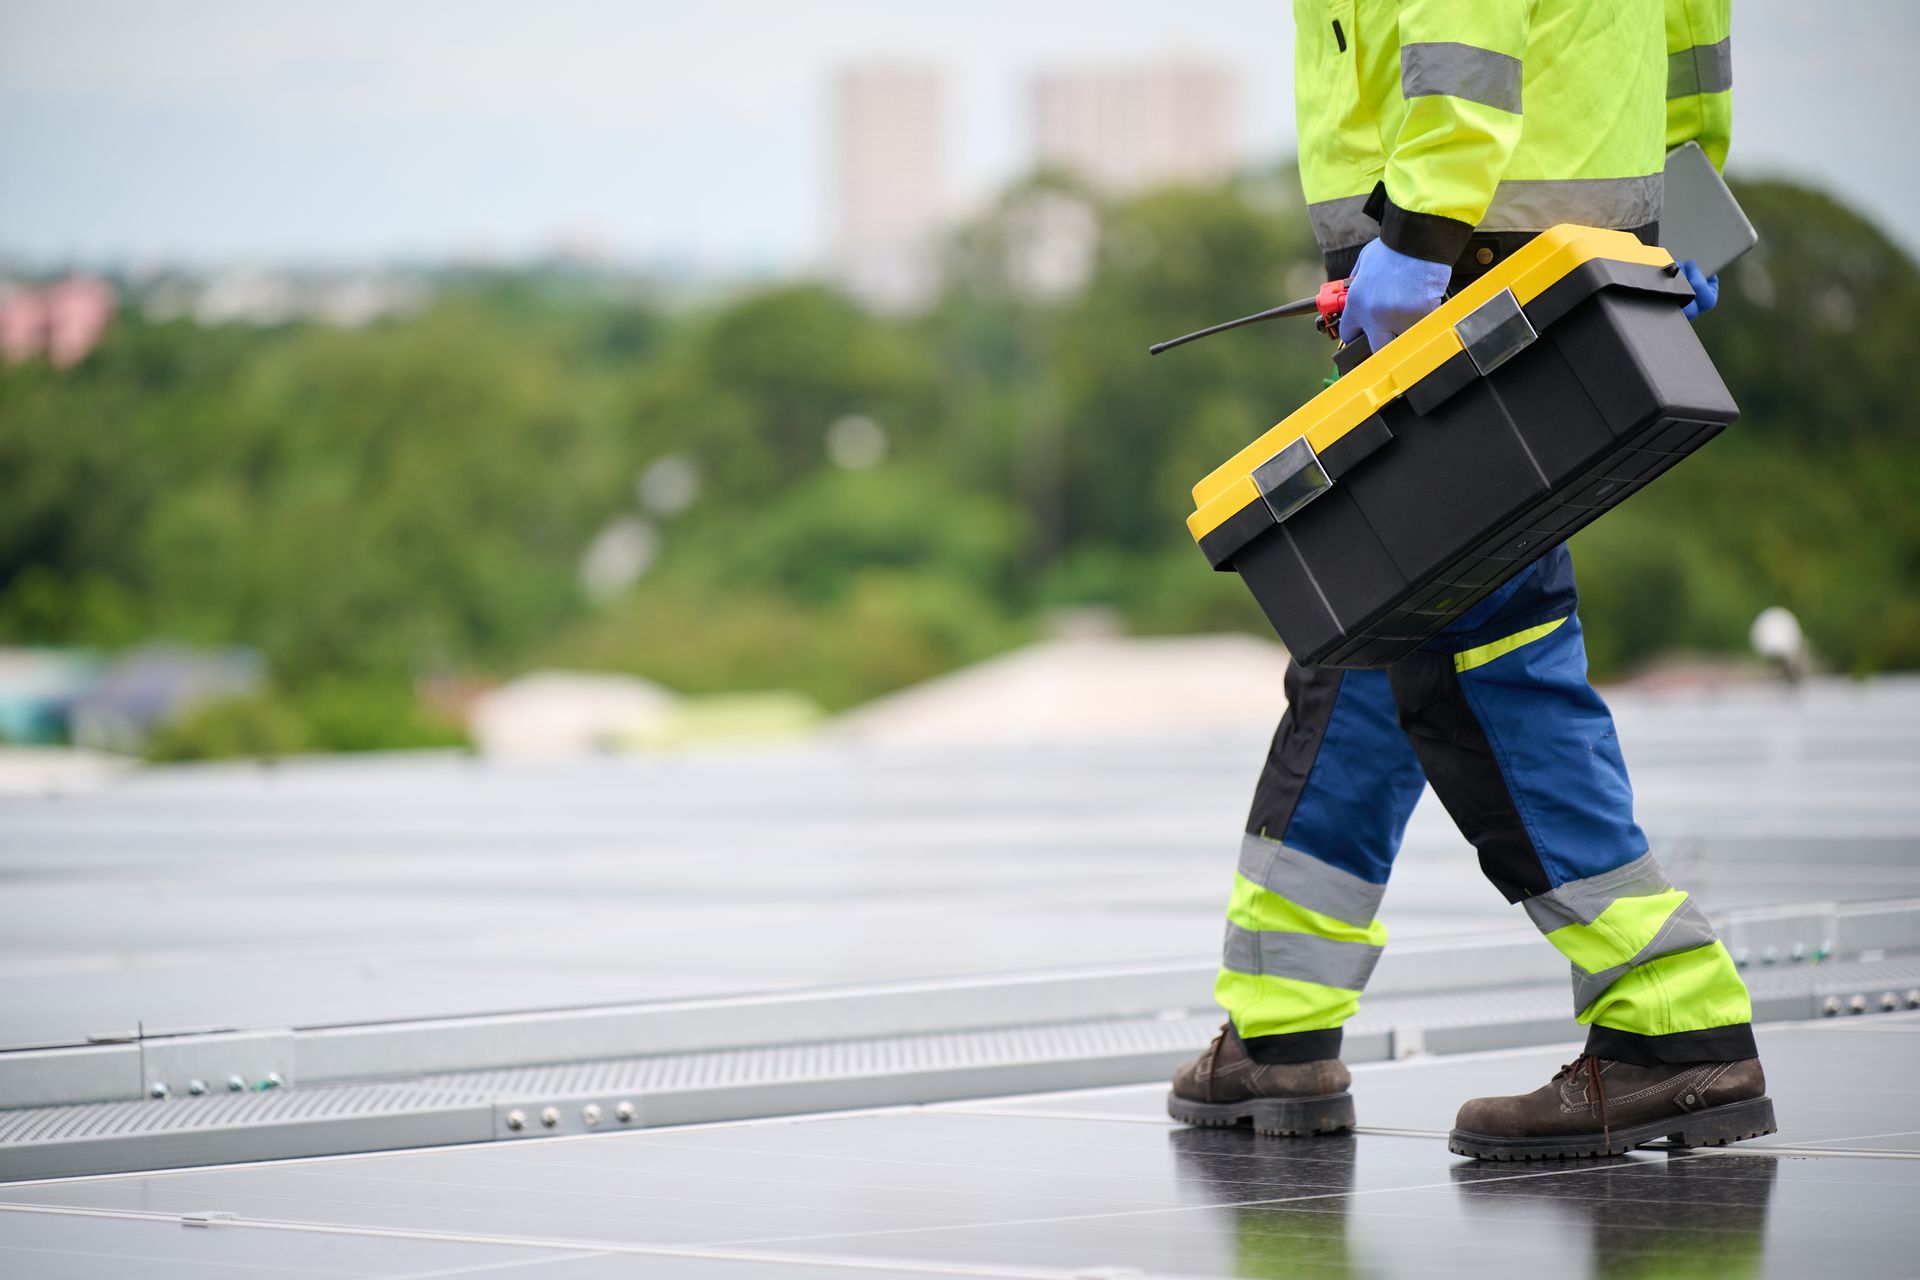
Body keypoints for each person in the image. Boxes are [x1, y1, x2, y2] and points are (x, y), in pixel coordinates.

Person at [1167, 0, 1771, 1160]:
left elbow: (1462, 37)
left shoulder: (1434, 236)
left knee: (1486, 663)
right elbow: (1691, 34)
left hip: (1463, 254)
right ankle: (1281, 1027)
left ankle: (1672, 1025)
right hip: (1563, 249)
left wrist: (1422, 230)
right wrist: (1685, 198)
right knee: (1369, 623)